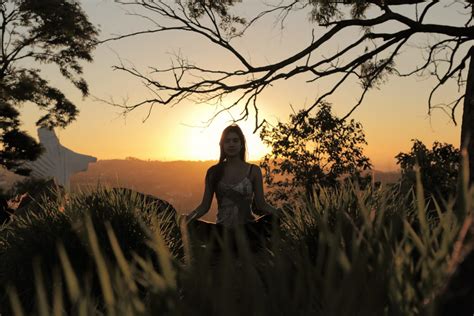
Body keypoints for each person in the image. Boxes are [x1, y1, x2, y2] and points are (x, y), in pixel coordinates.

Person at [183, 124, 279, 248]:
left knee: (274, 219)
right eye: (227, 141)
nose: (231, 144)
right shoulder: (213, 172)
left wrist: (280, 214)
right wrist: (187, 219)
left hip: (248, 229)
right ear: (222, 145)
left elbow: (261, 204)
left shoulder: (254, 170)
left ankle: (235, 244)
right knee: (192, 225)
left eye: (235, 140)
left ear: (241, 144)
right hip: (222, 231)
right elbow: (204, 206)